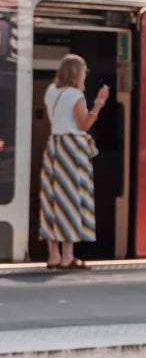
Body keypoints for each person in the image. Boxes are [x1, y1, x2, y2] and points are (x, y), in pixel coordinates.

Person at [38, 54, 107, 271]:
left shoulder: (51, 91)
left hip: (54, 146)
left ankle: (53, 256)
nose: (85, 74)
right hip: (71, 150)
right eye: (83, 70)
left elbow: (59, 120)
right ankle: (68, 257)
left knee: (52, 199)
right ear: (77, 73)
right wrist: (98, 104)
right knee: (70, 198)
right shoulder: (75, 95)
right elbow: (83, 125)